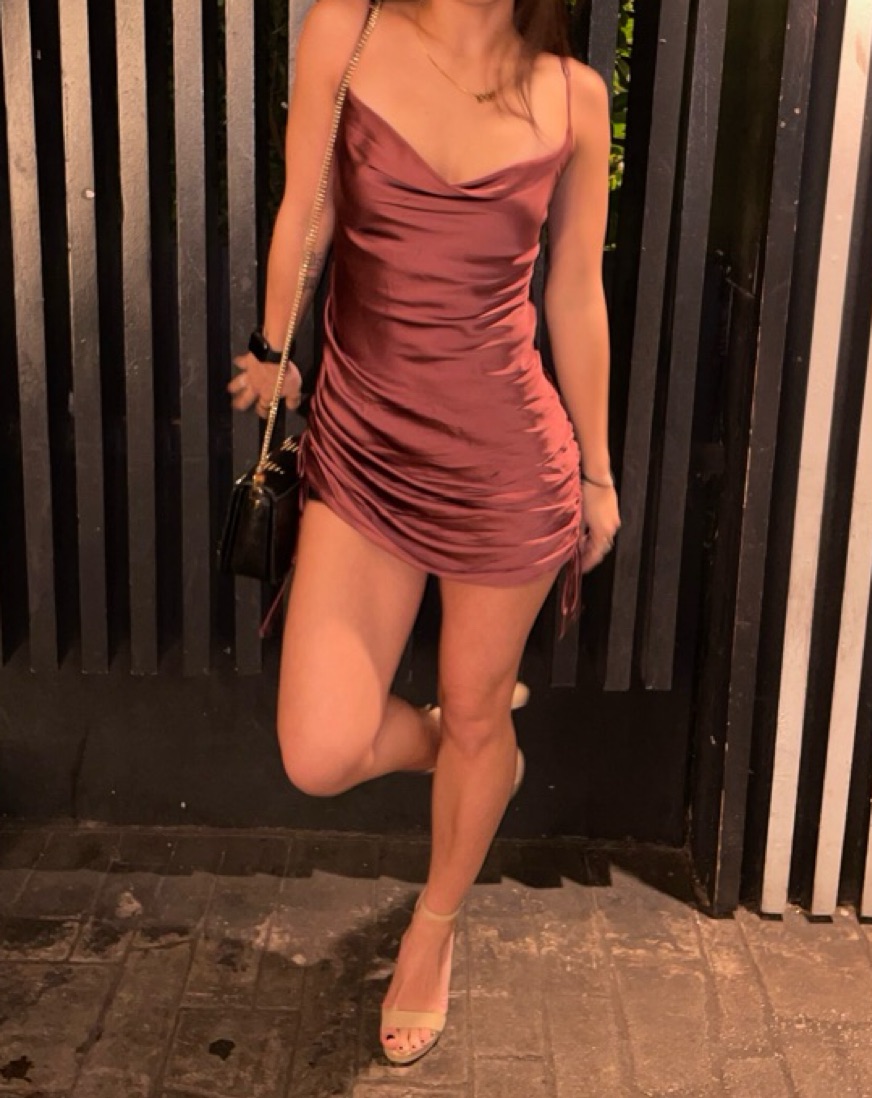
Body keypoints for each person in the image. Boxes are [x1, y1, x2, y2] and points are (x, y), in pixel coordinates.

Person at [228, 0, 620, 1067]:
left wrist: (594, 471)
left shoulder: (575, 97)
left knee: (483, 713)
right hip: (362, 449)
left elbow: (575, 297)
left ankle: (433, 928)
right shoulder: (346, 31)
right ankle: (469, 753)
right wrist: (274, 346)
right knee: (320, 750)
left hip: (506, 467)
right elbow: (307, 212)